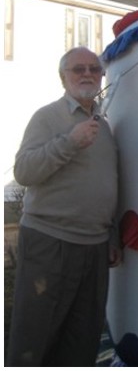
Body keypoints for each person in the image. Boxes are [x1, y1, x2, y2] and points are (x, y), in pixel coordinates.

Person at [7, 47, 121, 367]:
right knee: (35, 339)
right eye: (78, 69)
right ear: (63, 77)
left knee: (83, 340)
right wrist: (69, 142)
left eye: (94, 69)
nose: (87, 74)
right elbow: (24, 171)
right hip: (50, 242)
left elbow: (108, 182)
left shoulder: (105, 125)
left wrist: (113, 236)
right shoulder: (47, 117)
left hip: (95, 247)